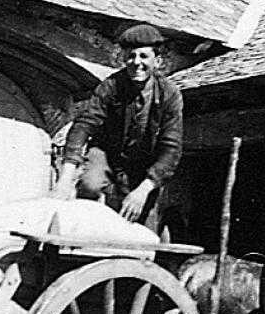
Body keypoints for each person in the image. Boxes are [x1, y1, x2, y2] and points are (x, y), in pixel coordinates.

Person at [54, 23, 183, 230]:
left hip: (144, 166)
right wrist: (66, 175)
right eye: (131, 56)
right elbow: (85, 123)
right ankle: (81, 235)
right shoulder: (111, 86)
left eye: (143, 57)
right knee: (90, 184)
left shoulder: (170, 94)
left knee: (141, 232)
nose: (136, 63)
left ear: (157, 61)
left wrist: (143, 190)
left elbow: (171, 147)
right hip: (107, 154)